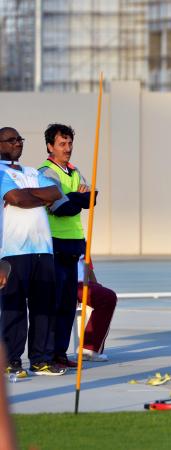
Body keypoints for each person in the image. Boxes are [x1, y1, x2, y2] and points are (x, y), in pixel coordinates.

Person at [0, 127, 66, 377]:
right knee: (13, 308)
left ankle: (41, 360)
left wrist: (31, 196)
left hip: (43, 248)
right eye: (11, 139)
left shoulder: (31, 171)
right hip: (13, 250)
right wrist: (35, 197)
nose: (17, 143)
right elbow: (16, 198)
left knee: (44, 307)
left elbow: (55, 193)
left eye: (19, 139)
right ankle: (10, 360)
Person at [38, 124, 94, 368]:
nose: (68, 148)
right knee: (54, 302)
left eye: (70, 143)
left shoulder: (73, 170)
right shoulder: (46, 173)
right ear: (50, 146)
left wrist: (75, 198)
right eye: (62, 144)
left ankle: (60, 353)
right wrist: (77, 198)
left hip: (74, 245)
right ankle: (47, 355)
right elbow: (59, 208)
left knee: (68, 304)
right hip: (54, 243)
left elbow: (91, 200)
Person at [75, 256, 116, 361]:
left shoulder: (82, 241)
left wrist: (98, 287)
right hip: (64, 282)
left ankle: (89, 349)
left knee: (107, 297)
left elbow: (88, 267)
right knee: (107, 297)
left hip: (82, 284)